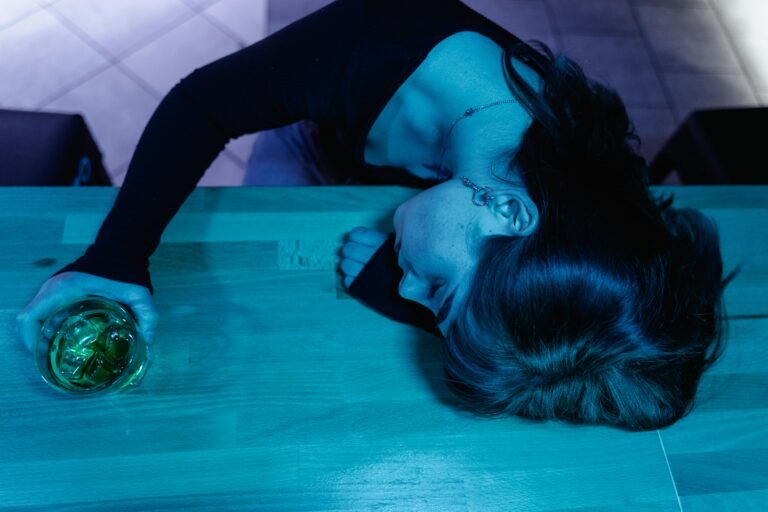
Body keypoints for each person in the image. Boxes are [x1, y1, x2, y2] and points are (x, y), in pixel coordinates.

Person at [16, 0, 739, 431]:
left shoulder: (585, 214)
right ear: (505, 209)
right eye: (440, 292)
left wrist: (428, 298)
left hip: (414, 192)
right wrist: (116, 256)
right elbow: (202, 107)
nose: (410, 290)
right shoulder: (375, 42)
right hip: (318, 137)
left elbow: (606, 357)